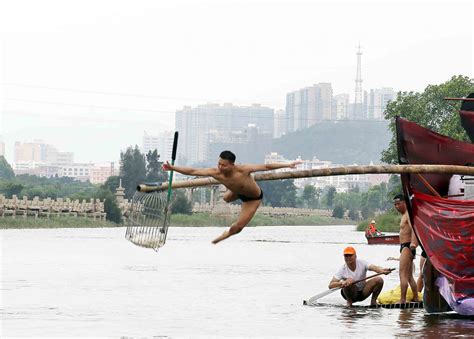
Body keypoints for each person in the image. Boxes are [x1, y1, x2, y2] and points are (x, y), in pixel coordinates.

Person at [162, 150, 302, 244]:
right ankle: (231, 194)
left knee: (238, 227)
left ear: (232, 165)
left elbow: (266, 166)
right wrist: (173, 168)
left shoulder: (243, 169)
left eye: (224, 165)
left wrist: (288, 164)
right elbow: (193, 171)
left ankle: (221, 238)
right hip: (236, 192)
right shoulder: (216, 172)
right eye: (219, 164)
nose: (220, 167)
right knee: (226, 198)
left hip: (252, 198)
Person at [328, 246, 392, 307]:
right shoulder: (342, 269)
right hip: (350, 294)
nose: (348, 257)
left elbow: (374, 267)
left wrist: (382, 270)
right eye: (346, 256)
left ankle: (373, 302)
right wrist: (342, 283)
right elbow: (330, 285)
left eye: (350, 255)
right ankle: (349, 302)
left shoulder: (362, 263)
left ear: (355, 256)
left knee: (379, 280)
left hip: (363, 292)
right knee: (349, 281)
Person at [393, 194, 419, 303]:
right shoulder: (404, 214)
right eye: (395, 204)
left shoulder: (408, 213)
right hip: (405, 246)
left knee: (402, 274)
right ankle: (416, 298)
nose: (396, 206)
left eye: (398, 204)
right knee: (409, 276)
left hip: (407, 246)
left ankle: (402, 299)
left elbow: (414, 229)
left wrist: (413, 244)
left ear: (404, 202)